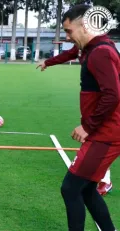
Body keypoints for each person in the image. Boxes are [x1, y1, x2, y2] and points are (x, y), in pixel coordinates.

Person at [49, 5, 120, 231]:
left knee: (70, 188)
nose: (67, 36)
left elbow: (113, 95)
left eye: (69, 30)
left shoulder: (100, 52)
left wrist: (88, 126)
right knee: (87, 188)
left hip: (105, 134)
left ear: (84, 25)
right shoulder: (95, 49)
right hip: (104, 132)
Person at [36, 43, 113, 197]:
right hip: (93, 100)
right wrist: (47, 62)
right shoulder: (82, 45)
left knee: (101, 140)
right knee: (96, 141)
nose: (68, 37)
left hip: (106, 101)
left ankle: (104, 180)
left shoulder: (103, 49)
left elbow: (112, 90)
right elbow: (68, 54)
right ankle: (100, 178)